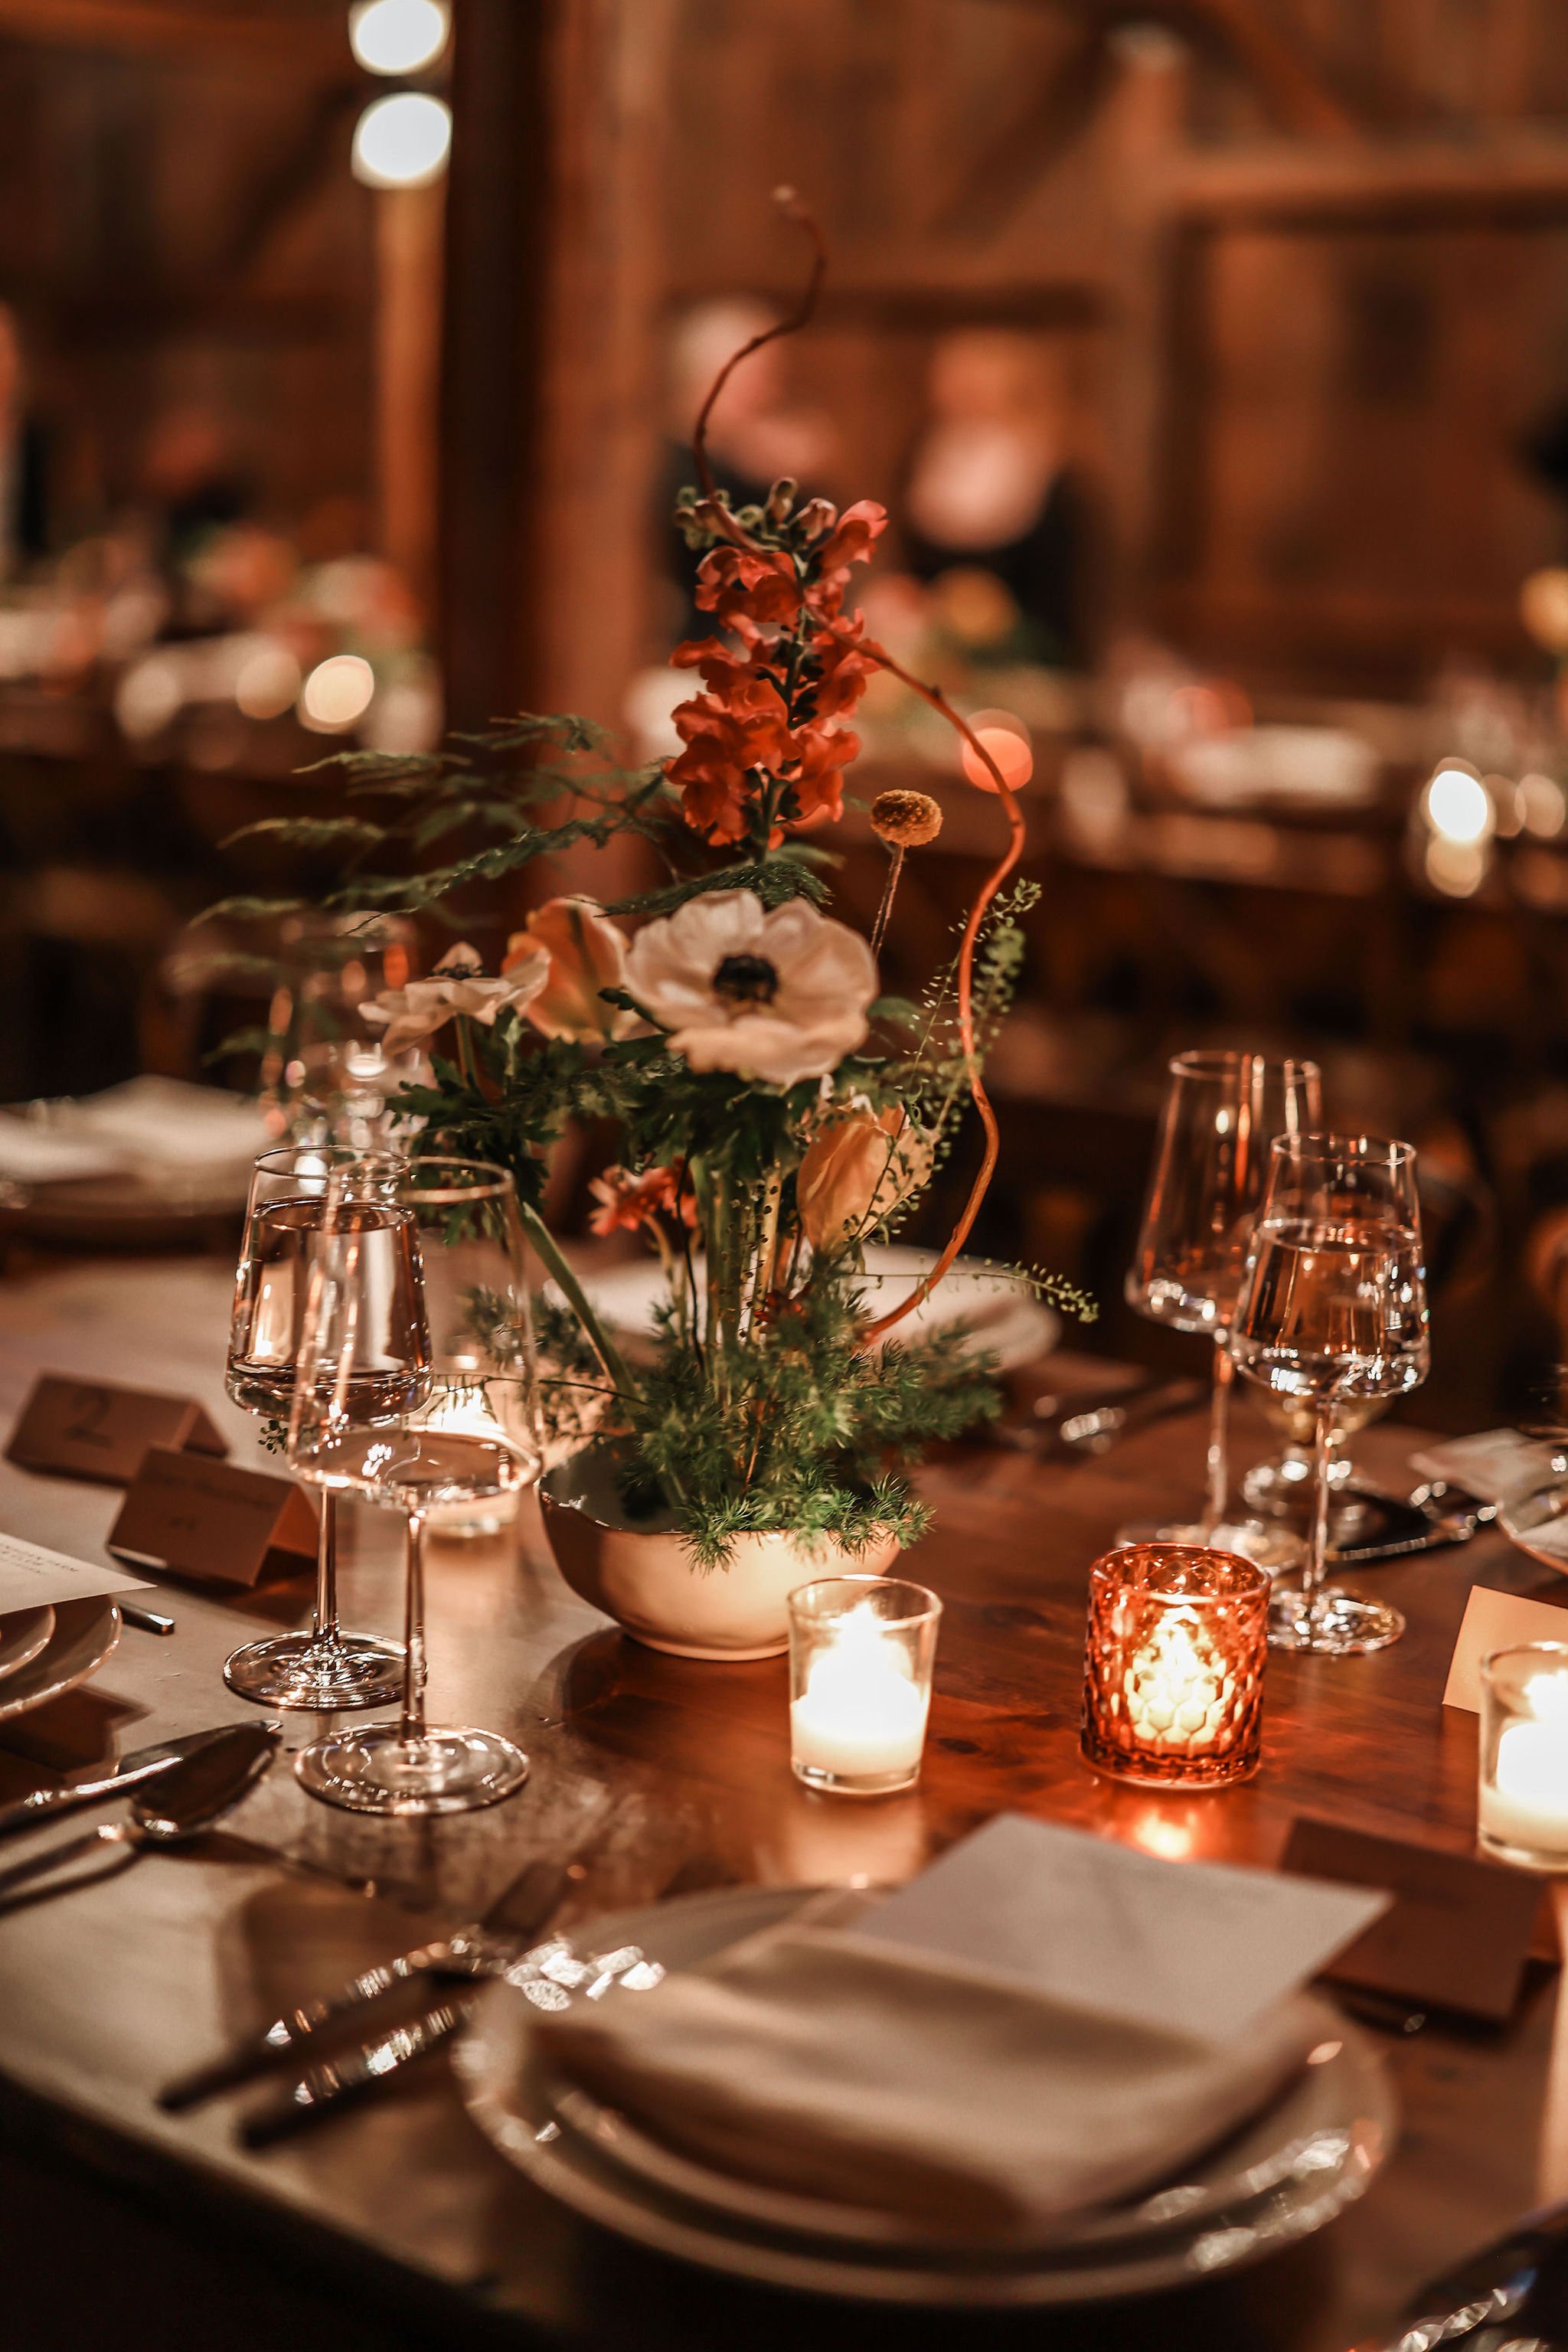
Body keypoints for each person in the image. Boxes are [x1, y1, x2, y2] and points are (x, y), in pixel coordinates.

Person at [902, 328, 1098, 668]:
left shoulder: (1050, 472)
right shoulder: (930, 458)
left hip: (1026, 663)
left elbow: (1064, 595)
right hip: (936, 662)